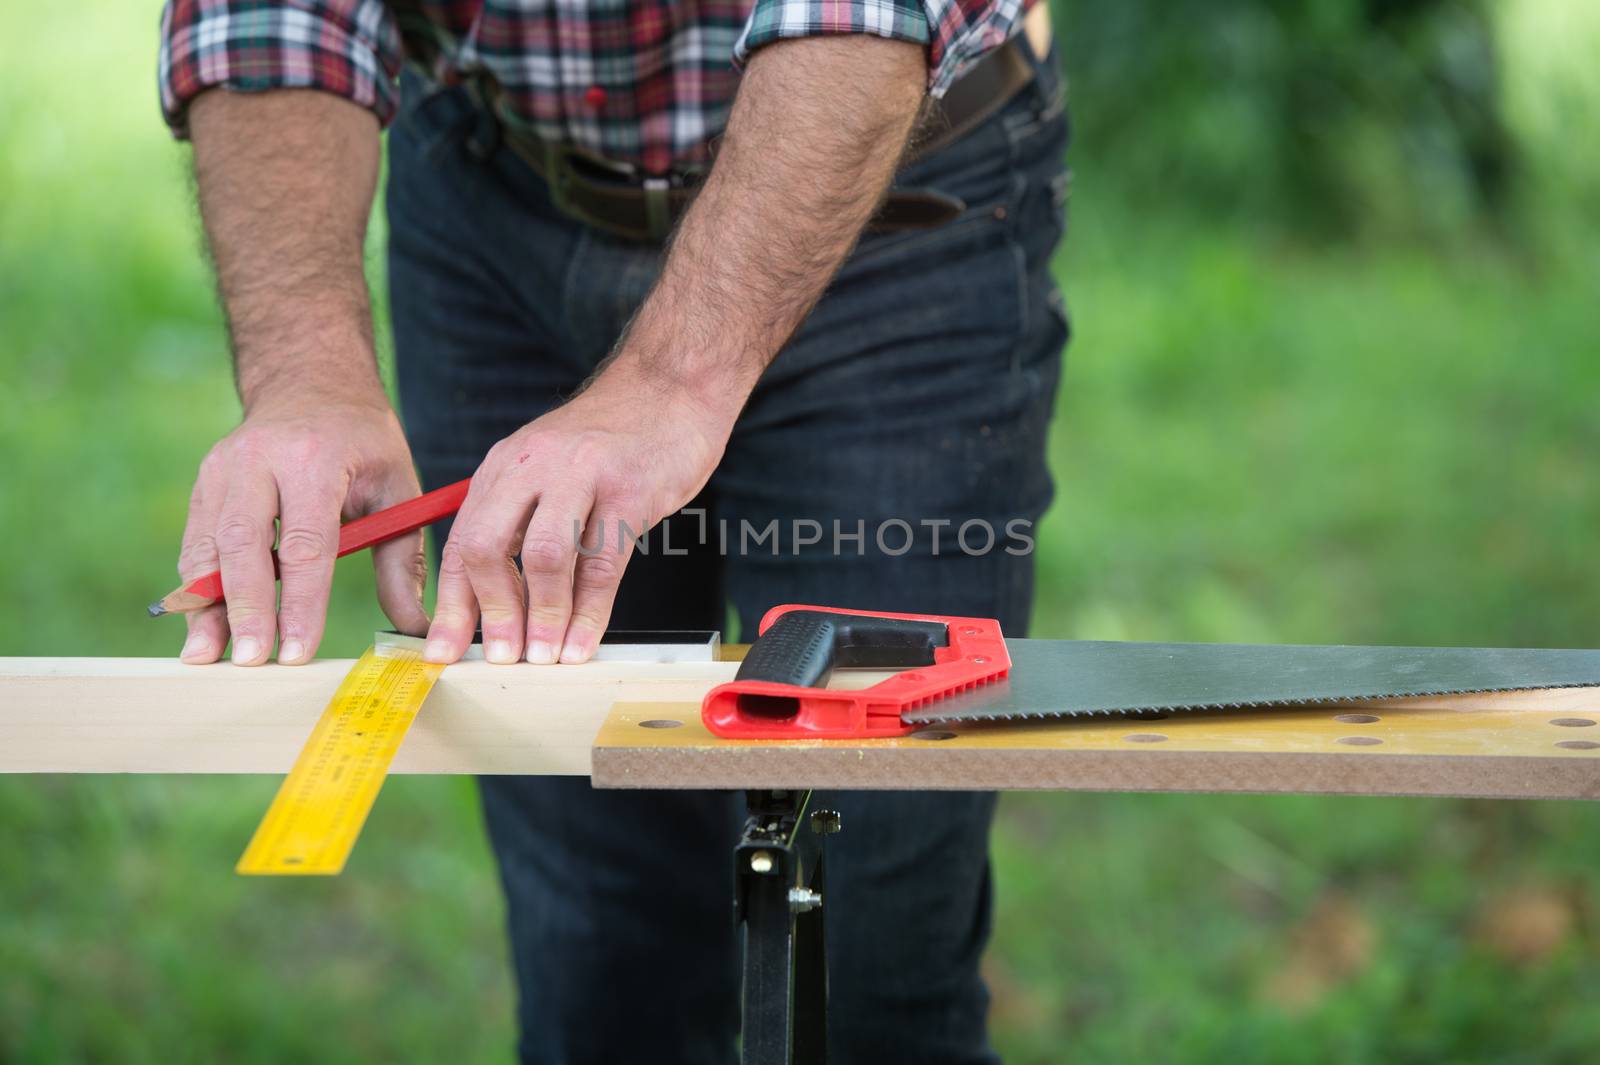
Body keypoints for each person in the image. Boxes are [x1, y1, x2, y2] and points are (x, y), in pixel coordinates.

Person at [158, 0, 1068, 1059]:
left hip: (886, 178)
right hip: (500, 191)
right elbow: (265, 18)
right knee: (601, 957)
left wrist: (677, 376)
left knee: (864, 960)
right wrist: (304, 373)